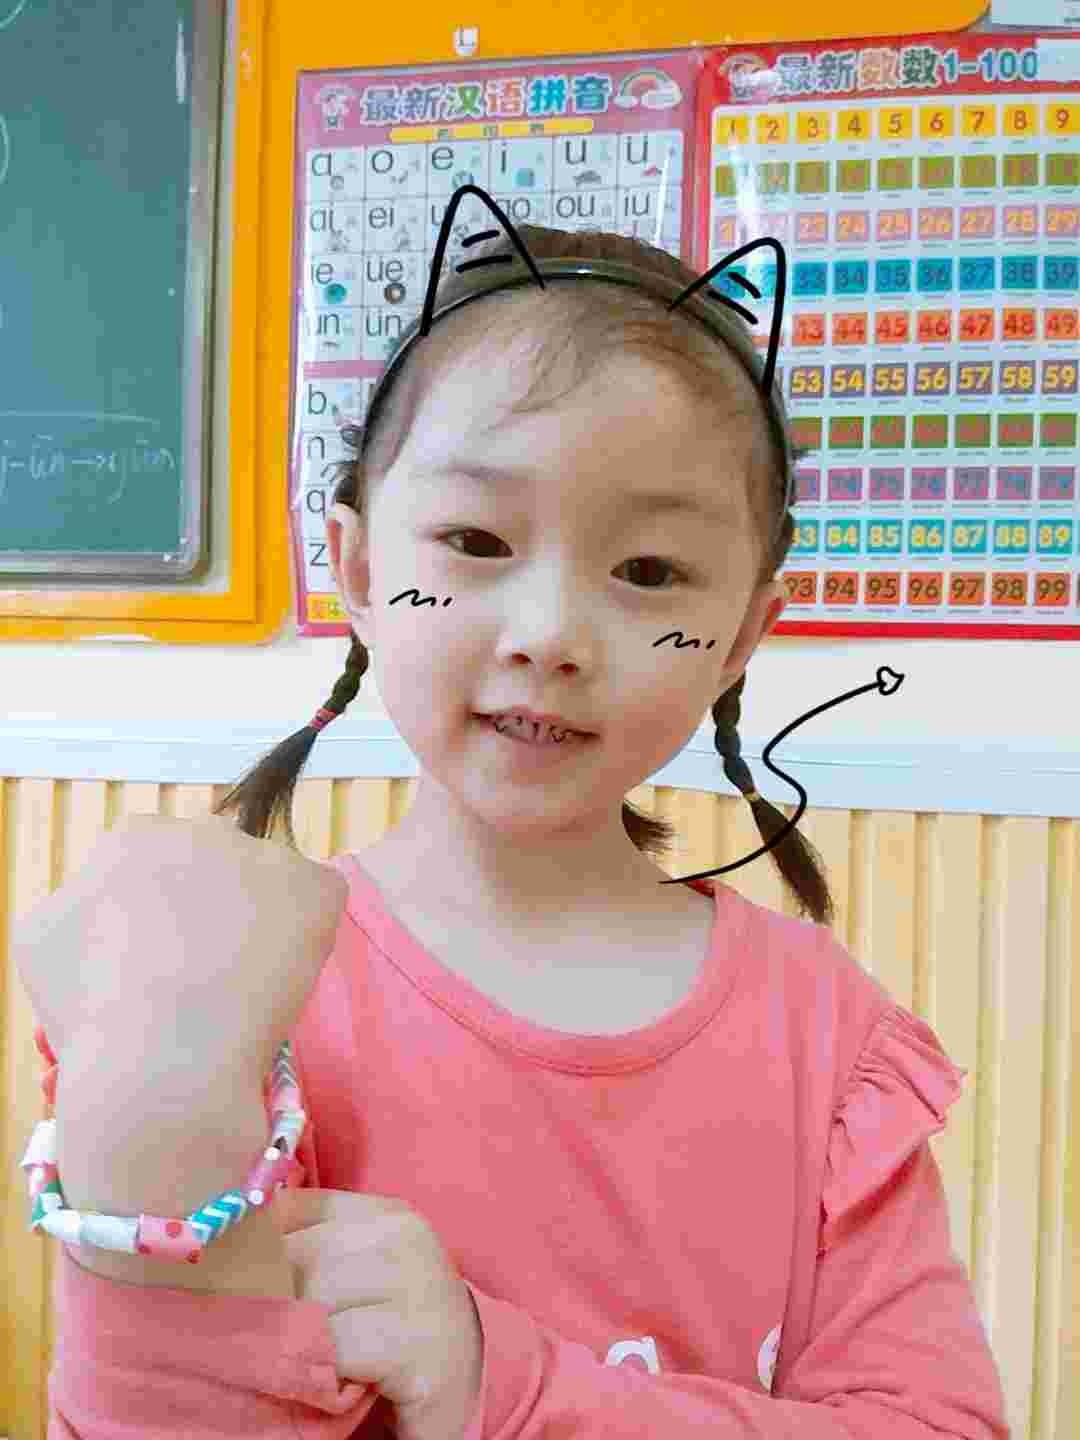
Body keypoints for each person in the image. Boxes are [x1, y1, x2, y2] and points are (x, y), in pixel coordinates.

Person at [41, 211, 1011, 1437]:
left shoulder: (827, 1039)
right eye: (476, 541)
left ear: (740, 637)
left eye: (649, 573)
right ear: (356, 569)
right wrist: (153, 1102)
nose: (549, 635)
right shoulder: (247, 998)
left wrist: (508, 1386)